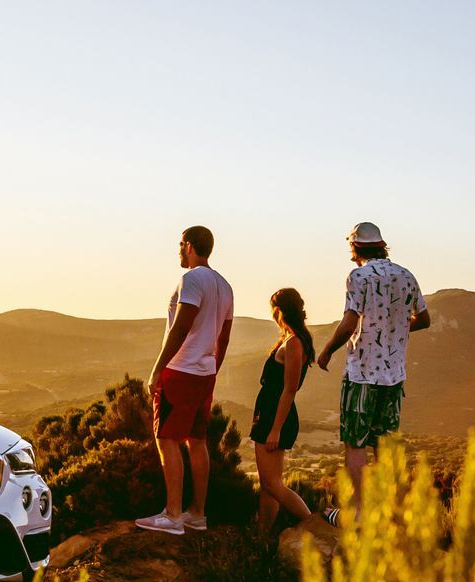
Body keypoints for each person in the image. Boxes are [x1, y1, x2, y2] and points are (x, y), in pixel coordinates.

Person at [314, 222, 429, 522]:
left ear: (356, 248)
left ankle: (362, 512)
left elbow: (350, 322)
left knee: (355, 443)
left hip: (363, 373)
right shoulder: (407, 276)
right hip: (394, 375)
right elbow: (425, 318)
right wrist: (397, 329)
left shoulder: (358, 276)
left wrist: (327, 349)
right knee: (385, 446)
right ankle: (391, 511)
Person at [138, 225, 233, 535]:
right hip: (205, 372)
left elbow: (181, 326)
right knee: (197, 440)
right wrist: (211, 368)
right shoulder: (225, 285)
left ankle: (174, 515)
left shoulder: (191, 280)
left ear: (190, 246)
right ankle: (197, 514)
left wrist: (157, 369)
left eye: (180, 244)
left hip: (181, 370)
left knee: (166, 438)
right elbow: (224, 335)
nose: (178, 250)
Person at [251, 288, 329, 535]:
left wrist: (275, 429)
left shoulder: (294, 343)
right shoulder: (290, 339)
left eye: (274, 309)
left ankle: (313, 523)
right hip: (269, 412)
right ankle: (263, 535)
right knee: (268, 485)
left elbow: (290, 389)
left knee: (272, 484)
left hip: (277, 415)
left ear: (281, 310)